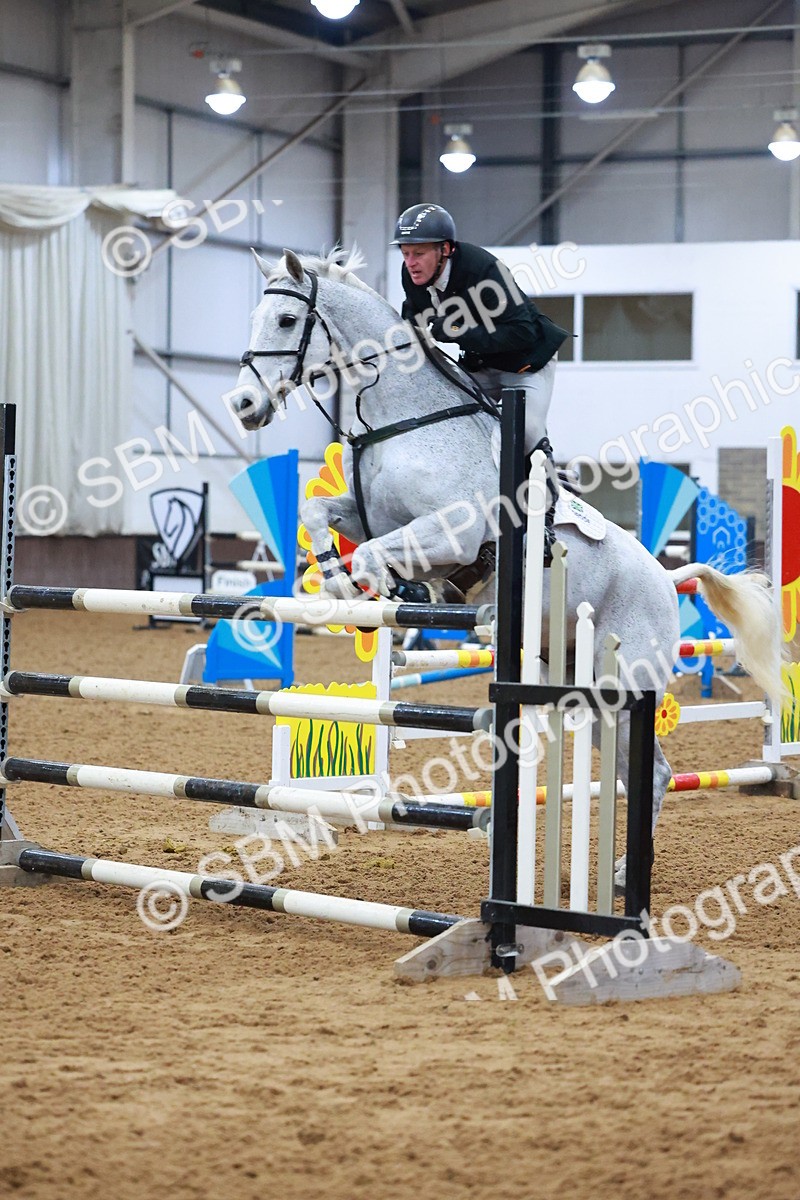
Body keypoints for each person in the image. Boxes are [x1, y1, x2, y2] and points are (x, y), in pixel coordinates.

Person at [391, 202, 569, 456]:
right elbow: (415, 312)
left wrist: (458, 330)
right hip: (481, 366)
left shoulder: (485, 272)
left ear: (446, 249)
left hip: (527, 363)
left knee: (527, 433)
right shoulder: (412, 275)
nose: (410, 263)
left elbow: (522, 332)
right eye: (405, 253)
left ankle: (551, 485)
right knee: (443, 416)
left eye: (418, 253)